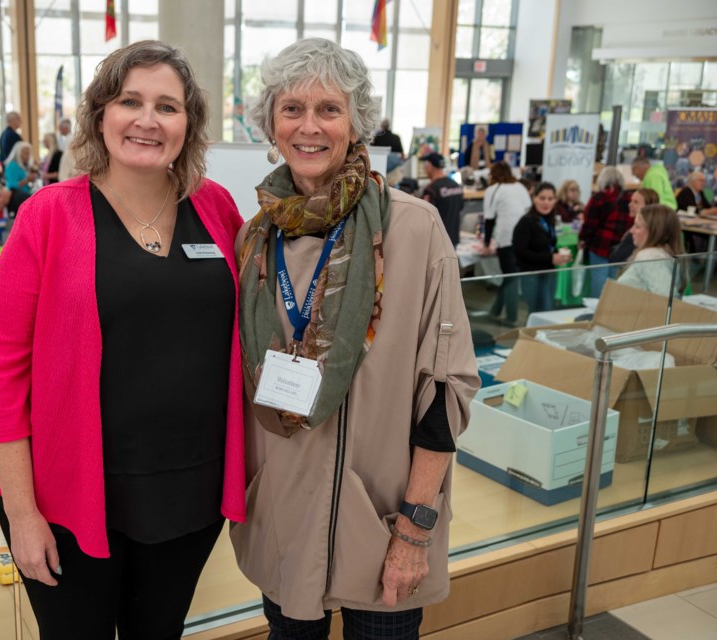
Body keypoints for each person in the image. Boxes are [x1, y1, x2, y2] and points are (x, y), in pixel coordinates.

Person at [0, 40, 247, 639]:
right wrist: (22, 514)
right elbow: (3, 374)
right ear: (101, 114)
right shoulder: (47, 215)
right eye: (131, 101)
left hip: (189, 492)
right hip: (69, 497)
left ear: (188, 124)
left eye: (168, 107)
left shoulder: (218, 209)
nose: (148, 120)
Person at [234, 38, 479, 638]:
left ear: (357, 122)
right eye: (292, 109)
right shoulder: (256, 239)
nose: (308, 126)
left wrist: (415, 529)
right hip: (285, 512)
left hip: (383, 520)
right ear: (270, 123)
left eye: (329, 109)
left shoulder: (413, 229)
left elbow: (445, 393)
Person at [482, 161, 531, 325]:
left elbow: (489, 220)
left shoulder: (493, 190)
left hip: (507, 237)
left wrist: (486, 244)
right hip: (525, 236)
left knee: (511, 277)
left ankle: (511, 318)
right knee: (510, 275)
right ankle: (495, 311)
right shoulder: (520, 187)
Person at [512, 182, 571, 313]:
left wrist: (559, 256)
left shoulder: (549, 219)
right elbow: (520, 252)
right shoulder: (525, 222)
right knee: (536, 311)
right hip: (532, 274)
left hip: (548, 273)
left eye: (550, 199)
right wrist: (551, 258)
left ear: (555, 200)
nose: (546, 202)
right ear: (534, 198)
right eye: (542, 198)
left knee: (547, 310)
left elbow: (548, 245)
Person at [580, 166, 631, 297]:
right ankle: (612, 310)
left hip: (600, 244)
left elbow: (590, 223)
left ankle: (597, 311)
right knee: (615, 280)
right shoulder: (630, 198)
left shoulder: (599, 198)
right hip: (621, 246)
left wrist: (583, 238)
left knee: (599, 280)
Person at [617, 204, 683, 296]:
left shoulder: (650, 256)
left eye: (637, 226)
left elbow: (666, 298)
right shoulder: (661, 253)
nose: (632, 231)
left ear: (654, 231)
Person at [420, 152, 464, 246]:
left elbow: (424, 216)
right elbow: (460, 208)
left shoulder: (431, 189)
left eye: (425, 165)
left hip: (437, 243)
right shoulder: (456, 185)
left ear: (430, 166)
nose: (424, 168)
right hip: (453, 240)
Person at [609, 188, 658, 263]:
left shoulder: (645, 232)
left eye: (636, 202)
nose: (629, 205)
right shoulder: (635, 225)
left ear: (648, 206)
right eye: (631, 201)